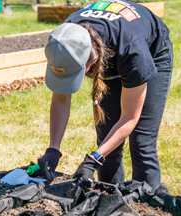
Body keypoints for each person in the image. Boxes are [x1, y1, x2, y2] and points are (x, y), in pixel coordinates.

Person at [37, 0, 173, 193]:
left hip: (150, 53)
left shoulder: (132, 50)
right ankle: (109, 203)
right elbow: (60, 99)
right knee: (106, 141)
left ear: (89, 64)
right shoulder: (64, 44)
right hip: (114, 49)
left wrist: (92, 160)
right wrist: (53, 148)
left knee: (141, 142)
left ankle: (147, 203)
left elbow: (129, 118)